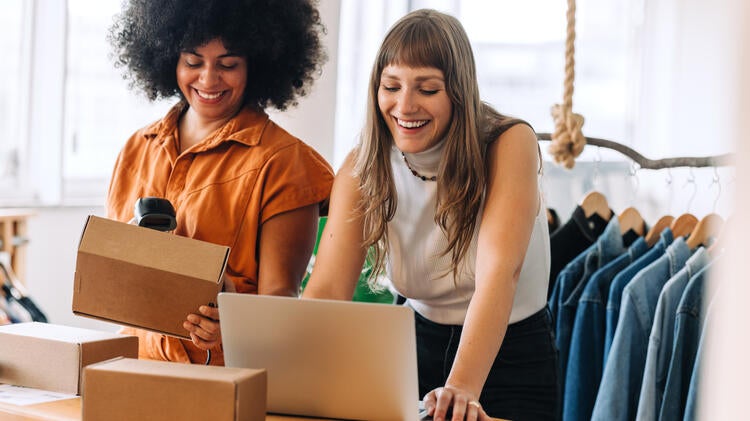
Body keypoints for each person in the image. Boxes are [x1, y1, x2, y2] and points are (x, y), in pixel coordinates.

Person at [302, 9, 560, 421]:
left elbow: (499, 275)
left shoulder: (509, 143)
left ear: (458, 91)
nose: (405, 105)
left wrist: (461, 388)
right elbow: (328, 290)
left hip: (511, 354)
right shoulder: (362, 165)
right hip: (415, 344)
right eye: (392, 86)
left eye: (427, 89)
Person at [106, 0, 333, 365]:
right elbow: (112, 281)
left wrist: (231, 319)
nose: (208, 80)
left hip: (223, 376)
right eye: (193, 62)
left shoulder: (285, 163)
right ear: (168, 59)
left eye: (228, 64)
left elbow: (280, 302)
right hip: (133, 367)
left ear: (256, 65)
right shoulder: (136, 149)